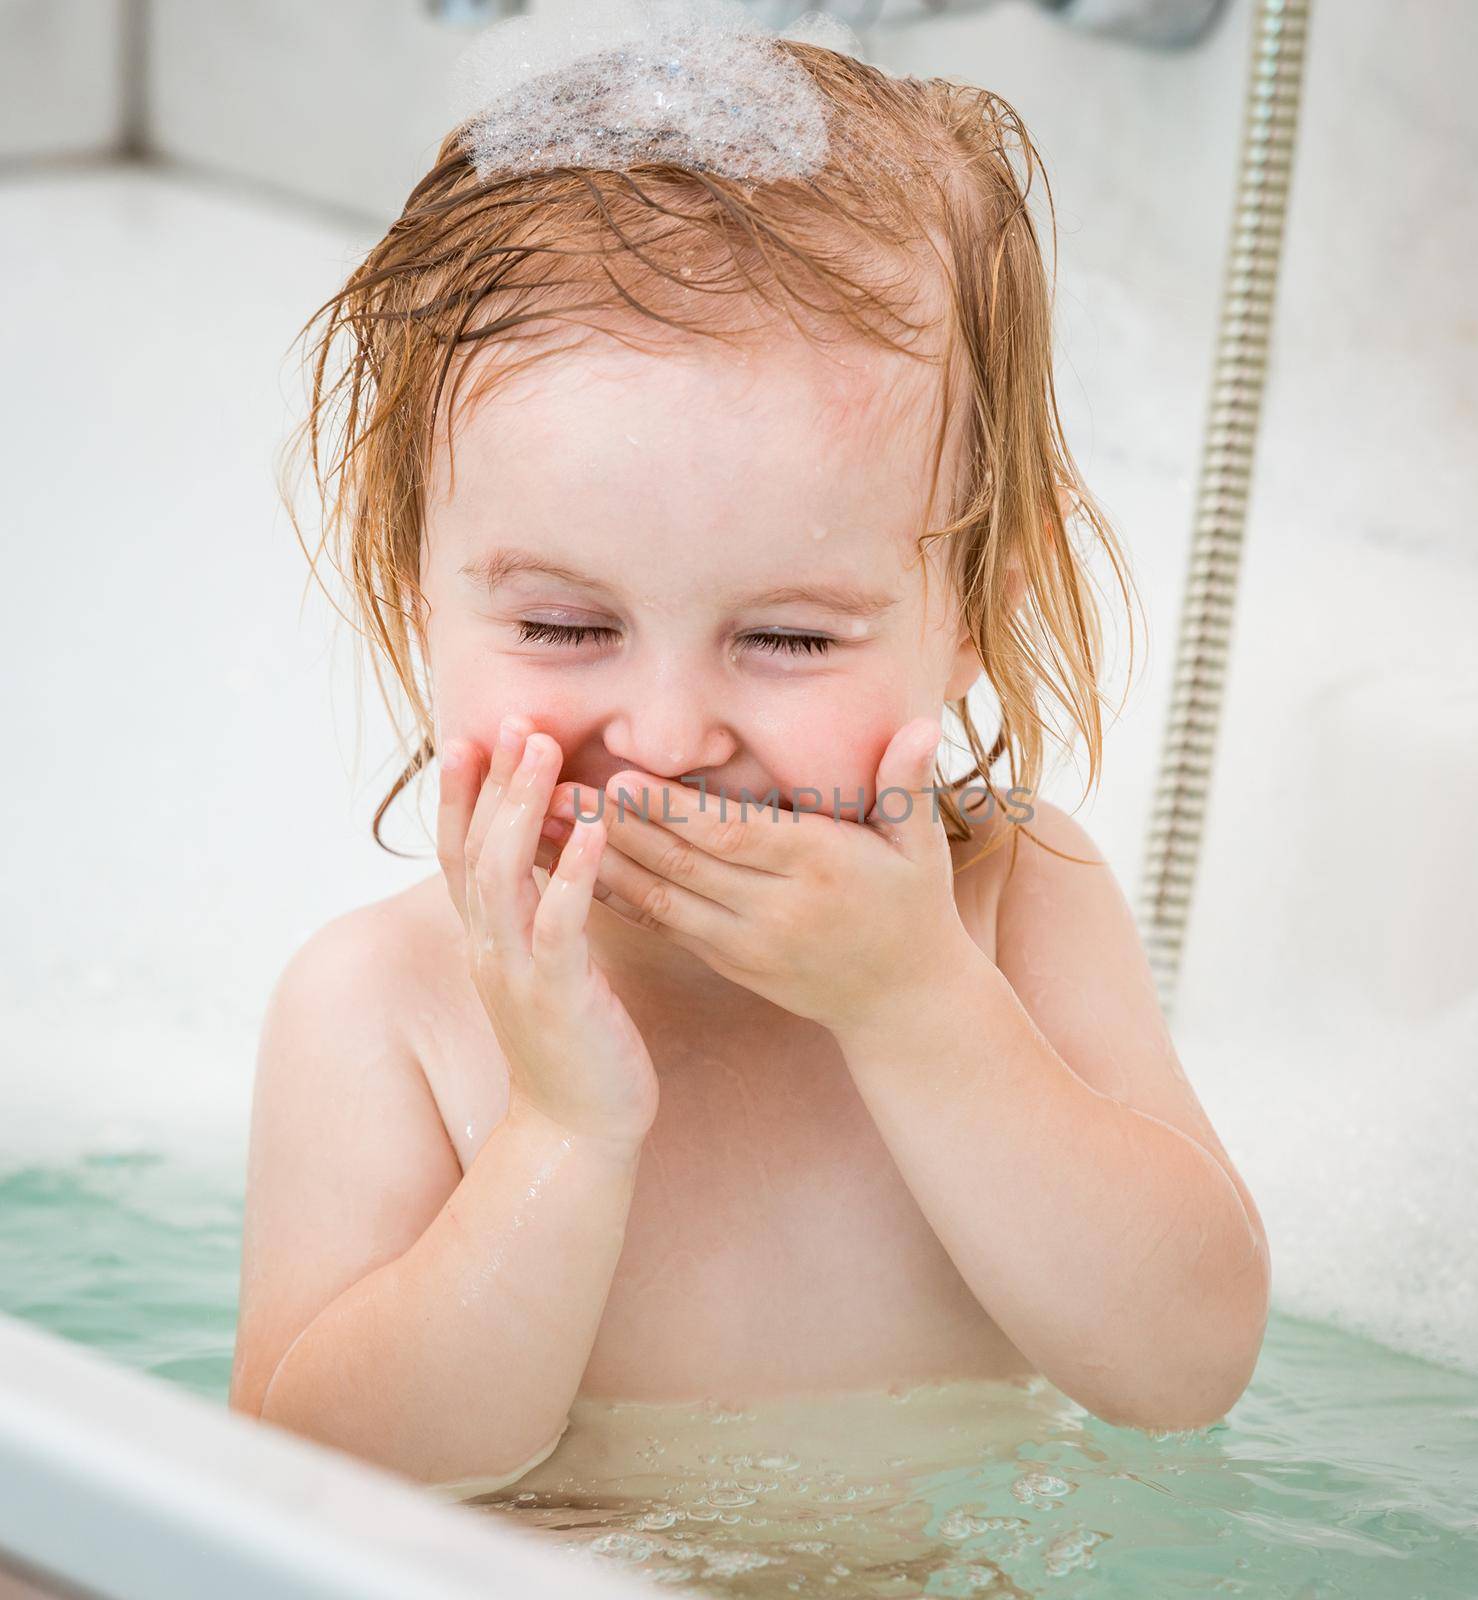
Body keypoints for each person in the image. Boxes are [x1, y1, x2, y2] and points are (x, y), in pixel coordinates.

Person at [227, 20, 1269, 1499]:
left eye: (786, 640)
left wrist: (918, 1008)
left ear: (976, 612)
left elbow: (1184, 1371)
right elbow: (304, 1487)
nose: (666, 736)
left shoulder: (1010, 913)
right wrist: (563, 1130)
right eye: (566, 624)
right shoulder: (387, 1011)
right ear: (419, 601)